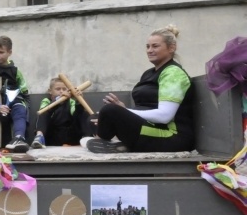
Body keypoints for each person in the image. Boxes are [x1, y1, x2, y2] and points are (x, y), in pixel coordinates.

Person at [84, 25, 195, 153]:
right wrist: (122, 111)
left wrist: (124, 111)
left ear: (171, 48)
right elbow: (143, 108)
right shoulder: (148, 73)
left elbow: (165, 116)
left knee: (109, 111)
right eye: (147, 46)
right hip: (149, 126)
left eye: (155, 46)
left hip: (169, 136)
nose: (149, 50)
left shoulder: (174, 74)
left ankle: (103, 142)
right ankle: (112, 143)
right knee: (94, 117)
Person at [30, 77, 94, 148]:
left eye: (64, 89)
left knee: (84, 112)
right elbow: (44, 115)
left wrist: (78, 102)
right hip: (53, 136)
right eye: (58, 89)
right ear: (50, 91)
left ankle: (88, 139)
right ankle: (39, 137)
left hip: (70, 135)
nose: (61, 92)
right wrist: (58, 101)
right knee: (43, 112)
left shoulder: (71, 101)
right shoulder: (46, 101)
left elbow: (76, 115)